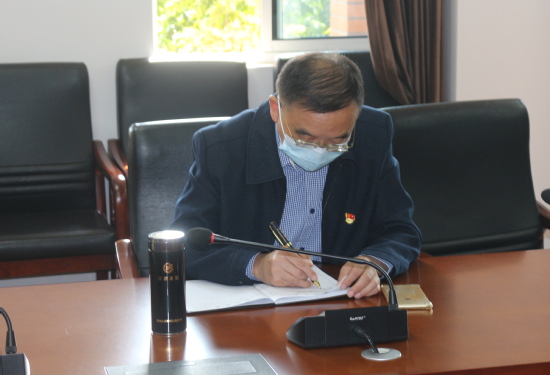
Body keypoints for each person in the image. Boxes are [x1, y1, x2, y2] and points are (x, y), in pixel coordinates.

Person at [171, 52, 421, 299]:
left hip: (341, 299)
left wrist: (375, 261)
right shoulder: (222, 147)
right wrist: (257, 265)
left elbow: (400, 230)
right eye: (304, 137)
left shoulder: (373, 135)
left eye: (338, 140)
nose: (321, 149)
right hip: (252, 307)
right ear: (275, 109)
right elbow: (182, 246)